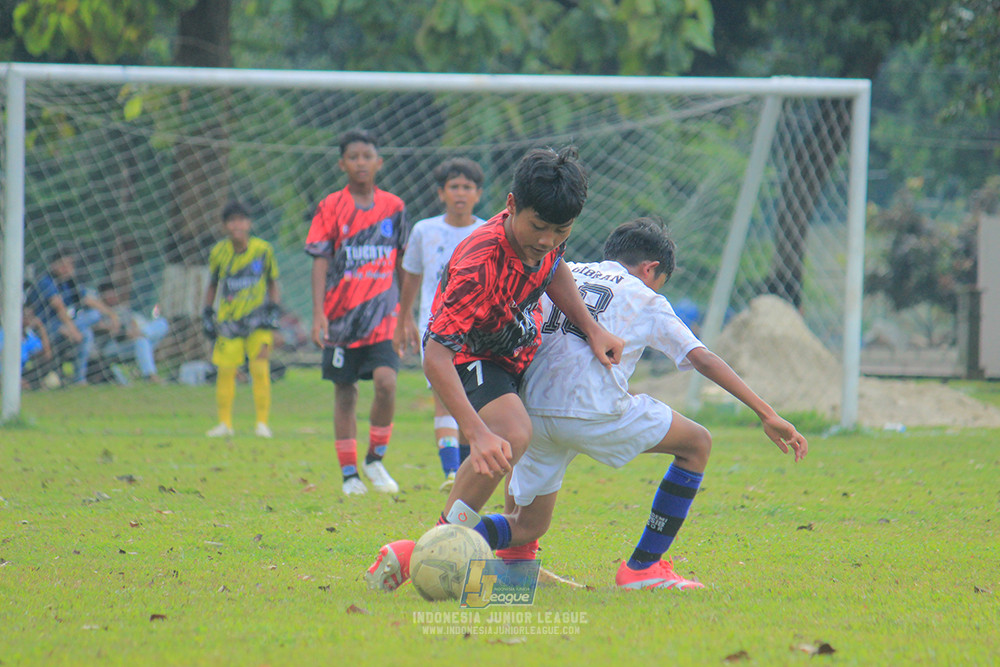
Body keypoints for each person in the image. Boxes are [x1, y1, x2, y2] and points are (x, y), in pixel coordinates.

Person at [412, 218, 809, 591]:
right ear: (651, 269)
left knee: (527, 524)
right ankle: (644, 568)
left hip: (528, 411)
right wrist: (767, 413)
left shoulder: (562, 270)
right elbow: (701, 358)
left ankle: (451, 554)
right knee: (697, 443)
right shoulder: (645, 297)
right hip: (593, 411)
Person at [365, 145, 625, 591]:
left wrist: (592, 328)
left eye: (560, 230)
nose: (546, 240)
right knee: (509, 436)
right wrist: (477, 433)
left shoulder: (548, 237)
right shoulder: (478, 264)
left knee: (533, 509)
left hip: (520, 350)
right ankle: (427, 553)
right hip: (474, 356)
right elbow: (435, 355)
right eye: (538, 227)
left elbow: (554, 268)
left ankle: (517, 567)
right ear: (510, 205)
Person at [306, 129, 409, 496]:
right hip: (341, 320)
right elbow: (320, 260)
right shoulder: (330, 206)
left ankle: (375, 458)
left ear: (379, 162)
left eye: (367, 156)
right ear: (342, 164)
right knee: (345, 392)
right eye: (353, 157)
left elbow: (403, 262)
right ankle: (350, 474)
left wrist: (407, 315)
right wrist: (318, 313)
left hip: (384, 317)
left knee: (387, 383)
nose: (361, 163)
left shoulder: (394, 207)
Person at [395, 158, 487, 491]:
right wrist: (403, 318)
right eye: (454, 187)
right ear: (441, 193)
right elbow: (412, 276)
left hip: (478, 330)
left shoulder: (488, 231)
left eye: (467, 187)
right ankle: (452, 472)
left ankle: (463, 468)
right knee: (444, 398)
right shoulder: (425, 230)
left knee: (472, 402)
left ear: (478, 194)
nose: (460, 193)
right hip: (436, 327)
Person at [202, 200, 282, 438]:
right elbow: (213, 284)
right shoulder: (219, 252)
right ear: (224, 226)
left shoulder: (263, 250)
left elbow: (273, 281)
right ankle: (225, 424)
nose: (237, 225)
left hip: (258, 320)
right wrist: (207, 312)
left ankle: (262, 424)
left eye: (241, 220)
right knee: (226, 370)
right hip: (229, 321)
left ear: (249, 223)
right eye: (231, 221)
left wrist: (274, 309)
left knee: (260, 369)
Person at [26, 246, 120, 386]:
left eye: (70, 265)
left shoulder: (69, 283)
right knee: (93, 316)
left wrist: (112, 315)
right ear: (54, 265)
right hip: (45, 328)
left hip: (65, 325)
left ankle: (79, 379)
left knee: (87, 334)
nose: (67, 268)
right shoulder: (46, 281)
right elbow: (59, 307)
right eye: (63, 264)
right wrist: (72, 329)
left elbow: (88, 299)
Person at [96, 281, 170, 384]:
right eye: (108, 295)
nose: (112, 297)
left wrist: (135, 331)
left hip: (133, 341)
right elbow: (111, 332)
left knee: (162, 323)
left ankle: (144, 332)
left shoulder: (123, 309)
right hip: (112, 347)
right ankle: (150, 376)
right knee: (141, 341)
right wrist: (127, 334)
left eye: (113, 293)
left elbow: (133, 323)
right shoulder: (98, 312)